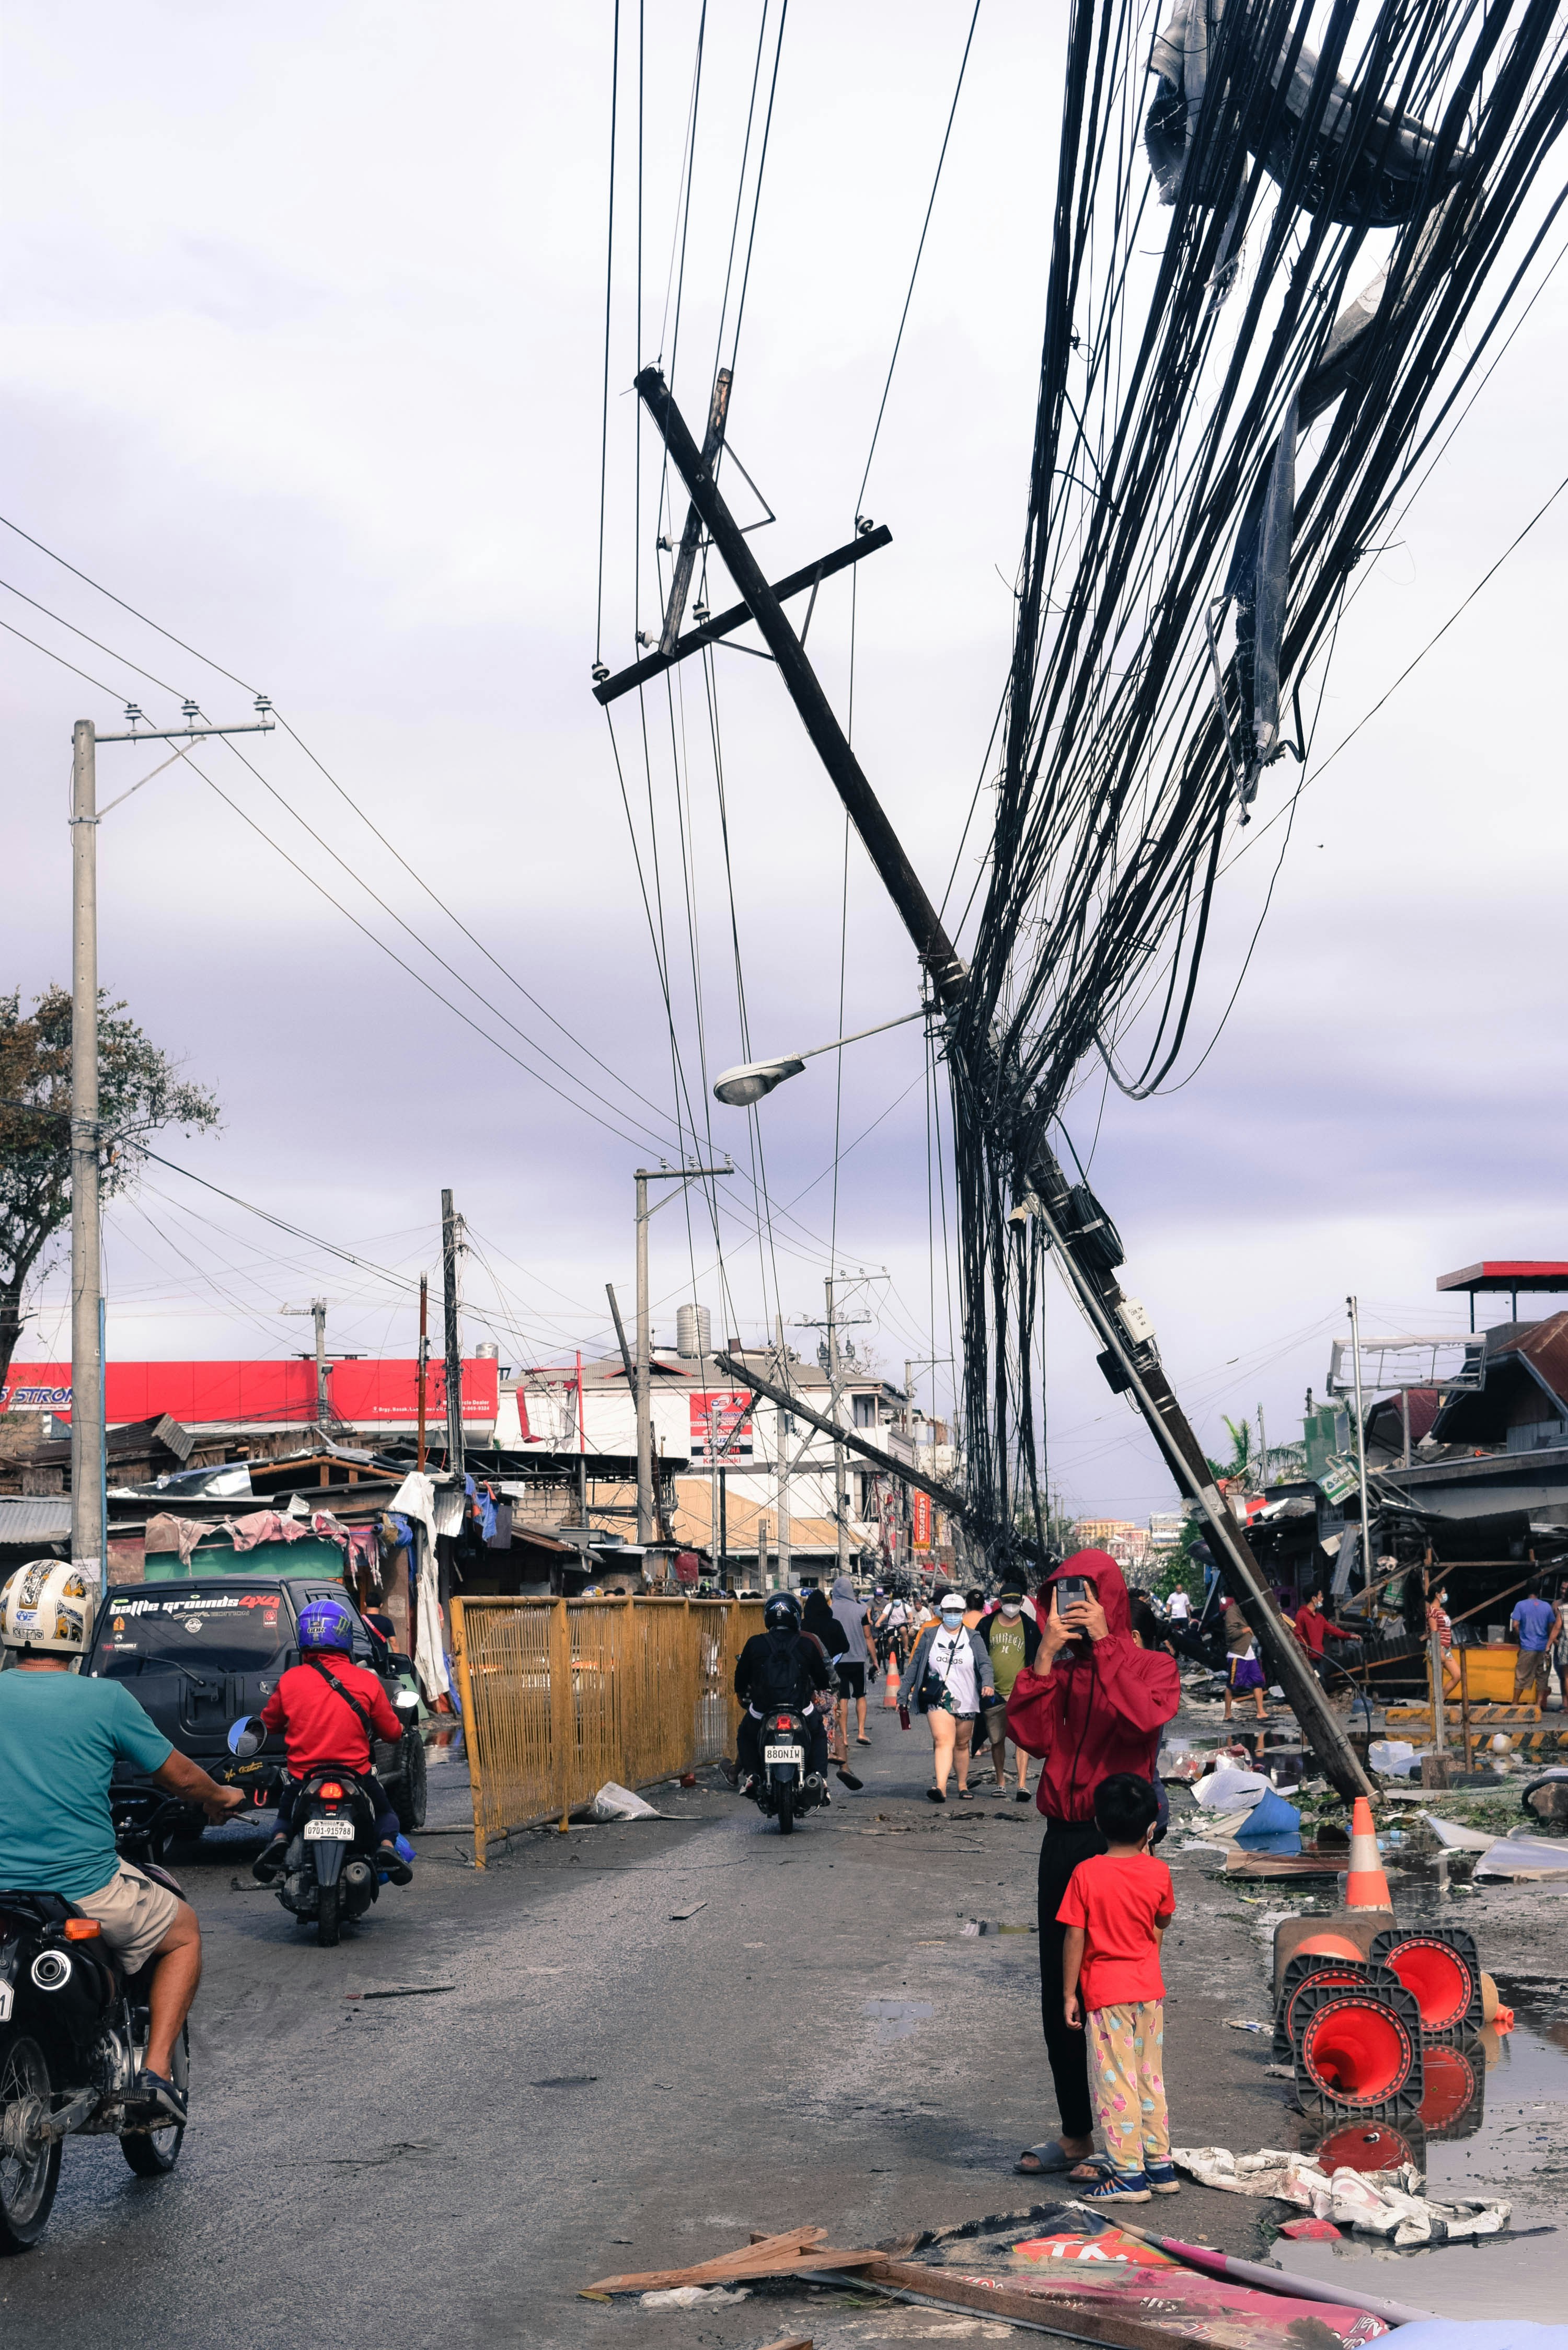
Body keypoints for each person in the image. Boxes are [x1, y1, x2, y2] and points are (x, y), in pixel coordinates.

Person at [0, 1559, 246, 2126]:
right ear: (77, 1626)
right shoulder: (104, 1701)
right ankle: (154, 2074)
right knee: (183, 1931)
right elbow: (179, 1776)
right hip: (82, 1888)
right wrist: (220, 1796)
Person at [1005, 1550, 1180, 2182]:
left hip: (1121, 1850)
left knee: (1117, 1997)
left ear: (1109, 1598)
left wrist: (1108, 1646)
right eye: (1061, 1595)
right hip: (1063, 1840)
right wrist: (1045, 1658)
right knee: (1063, 1992)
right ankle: (1078, 2133)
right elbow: (1030, 1735)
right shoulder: (1065, 1670)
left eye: (1083, 1594)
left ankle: (1127, 2145)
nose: (1072, 1605)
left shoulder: (1151, 1664)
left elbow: (1145, 1715)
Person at [1058, 1771, 1179, 2203]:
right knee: (1150, 2076)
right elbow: (1160, 1923)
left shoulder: (1085, 1874)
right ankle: (1159, 2164)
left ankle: (1128, 2175)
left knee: (1116, 2081)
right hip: (1149, 1990)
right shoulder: (1159, 1872)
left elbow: (1075, 1936)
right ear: (1151, 1829)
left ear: (1096, 1824)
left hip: (1107, 1993)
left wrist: (1070, 1992)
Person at [251, 1597, 413, 1885]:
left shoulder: (290, 1680)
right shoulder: (366, 1681)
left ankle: (279, 1842)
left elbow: (270, 1723)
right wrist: (399, 1729)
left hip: (304, 1776)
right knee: (386, 1813)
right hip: (357, 1775)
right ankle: (387, 1848)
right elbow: (390, 1733)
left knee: (285, 1817)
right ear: (344, 1636)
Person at [901, 1591, 997, 1803]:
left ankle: (962, 1785)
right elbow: (916, 1665)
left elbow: (985, 1664)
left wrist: (988, 1684)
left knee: (962, 1744)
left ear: (963, 1613)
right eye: (948, 1611)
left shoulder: (973, 1637)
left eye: (957, 1611)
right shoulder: (929, 1635)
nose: (952, 1615)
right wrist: (904, 1691)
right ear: (941, 1612)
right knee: (943, 1740)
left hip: (967, 1698)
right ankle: (941, 1787)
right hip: (938, 1697)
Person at [732, 1591, 834, 1790]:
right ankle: (819, 1777)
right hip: (800, 1706)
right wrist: (819, 1687)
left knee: (745, 1734)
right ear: (796, 1616)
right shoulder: (806, 1643)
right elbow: (822, 1679)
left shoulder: (755, 1642)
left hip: (763, 1707)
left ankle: (752, 1775)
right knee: (819, 1733)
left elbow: (741, 1677)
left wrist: (741, 1693)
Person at [979, 1581, 1040, 1800]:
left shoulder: (1031, 1627)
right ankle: (1000, 1782)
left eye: (1015, 1602)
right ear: (1000, 1602)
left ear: (1022, 1602)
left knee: (1022, 1739)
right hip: (992, 1692)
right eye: (1007, 1601)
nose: (1011, 1605)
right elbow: (978, 1655)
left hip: (1021, 1692)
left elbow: (1039, 1658)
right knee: (997, 1739)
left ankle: (1022, 1784)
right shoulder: (986, 1625)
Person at [829, 1573, 875, 1750]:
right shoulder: (861, 1610)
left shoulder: (830, 1611)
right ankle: (862, 1732)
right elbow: (868, 1636)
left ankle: (844, 1737)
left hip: (838, 1661)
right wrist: (875, 1660)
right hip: (858, 1659)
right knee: (860, 1696)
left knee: (843, 1699)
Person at [1511, 1581, 1560, 1709]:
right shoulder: (1547, 1607)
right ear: (1540, 1591)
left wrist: (1520, 1639)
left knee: (1521, 1676)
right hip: (1543, 1648)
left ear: (1527, 1590)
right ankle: (1538, 1706)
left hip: (1527, 1648)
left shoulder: (1520, 1605)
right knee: (1542, 1678)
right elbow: (1551, 1626)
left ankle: (1515, 1704)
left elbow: (1516, 1625)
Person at [1293, 1588, 1356, 1687]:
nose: (1322, 1599)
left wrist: (1349, 1636)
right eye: (1320, 1597)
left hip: (1319, 1657)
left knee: (1325, 1681)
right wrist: (1307, 1651)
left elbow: (1332, 1630)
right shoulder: (1301, 1615)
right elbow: (1298, 1636)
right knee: (1319, 1682)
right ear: (1314, 1599)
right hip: (1308, 1659)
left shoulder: (1319, 1617)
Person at [1222, 1598, 1266, 1723]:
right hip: (1238, 1654)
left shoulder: (1247, 1610)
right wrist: (1245, 1630)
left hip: (1249, 1653)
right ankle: (1227, 1714)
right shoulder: (1232, 1612)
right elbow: (1231, 1634)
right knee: (1232, 1685)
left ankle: (1261, 1712)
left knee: (1258, 1682)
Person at [1427, 1583, 1461, 1700]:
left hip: (1446, 1648)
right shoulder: (1432, 1611)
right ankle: (1436, 1704)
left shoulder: (1441, 1610)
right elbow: (1434, 1633)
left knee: (1457, 1675)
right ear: (1437, 1595)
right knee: (1438, 1681)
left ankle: (1441, 1699)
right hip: (1438, 1648)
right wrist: (1439, 1650)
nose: (1445, 1595)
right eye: (1443, 1593)